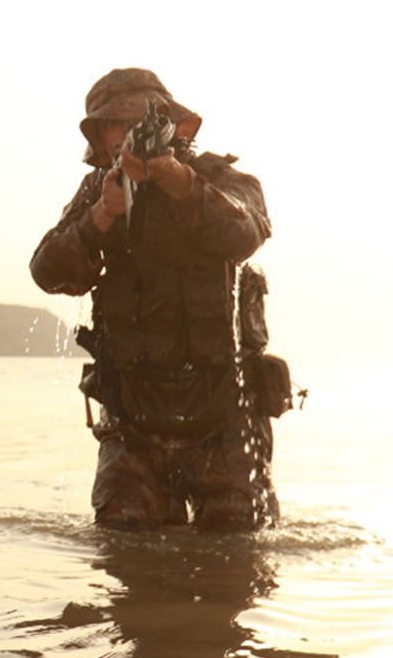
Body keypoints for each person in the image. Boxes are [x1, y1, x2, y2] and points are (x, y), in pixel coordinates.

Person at [30, 69, 282, 531]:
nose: (126, 136)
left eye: (137, 125)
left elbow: (244, 231)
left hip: (225, 415)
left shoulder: (221, 180)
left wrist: (178, 182)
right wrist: (101, 215)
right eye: (115, 126)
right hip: (133, 421)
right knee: (125, 549)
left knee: (236, 553)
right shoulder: (97, 192)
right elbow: (46, 270)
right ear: (100, 137)